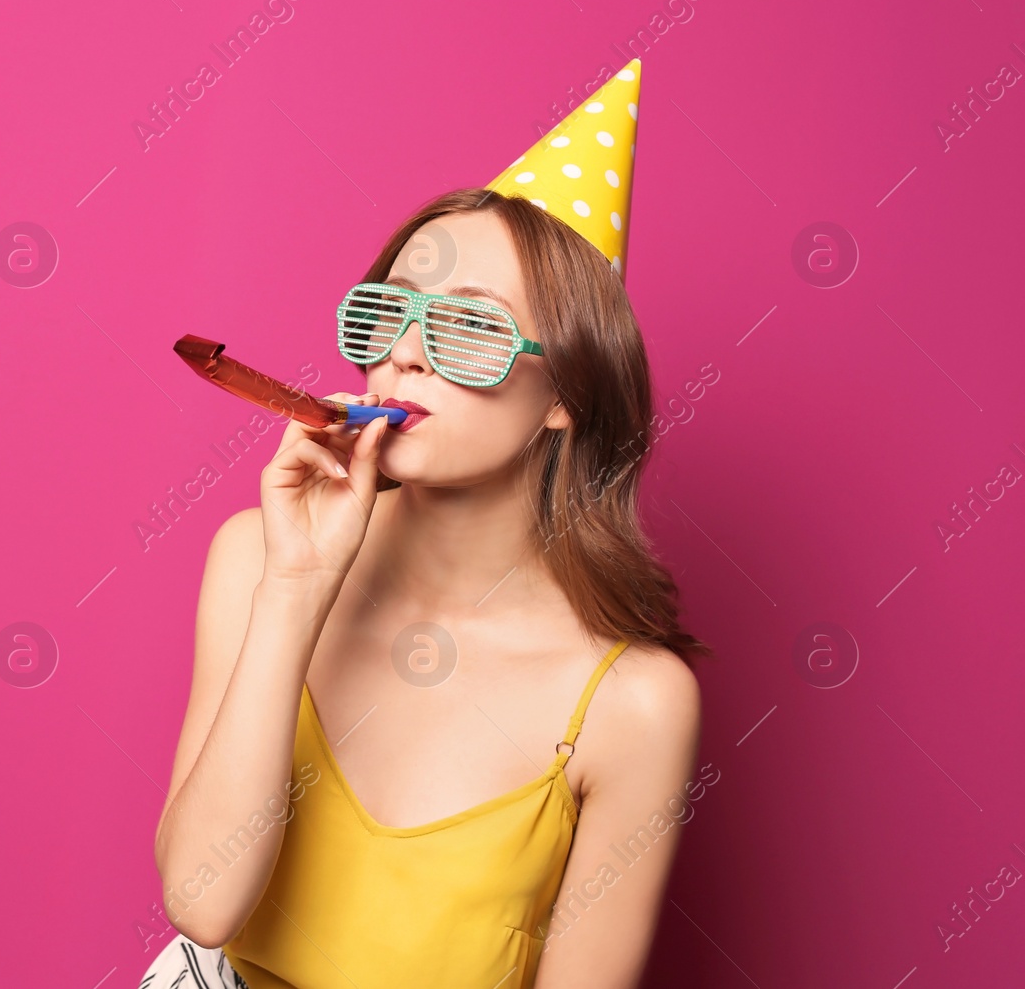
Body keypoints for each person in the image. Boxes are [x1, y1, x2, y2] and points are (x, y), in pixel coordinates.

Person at [146, 60, 712, 989]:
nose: (404, 353)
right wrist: (296, 589)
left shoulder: (633, 703)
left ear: (567, 392)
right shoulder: (255, 557)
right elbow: (204, 905)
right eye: (390, 314)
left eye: (468, 329)